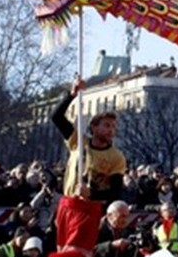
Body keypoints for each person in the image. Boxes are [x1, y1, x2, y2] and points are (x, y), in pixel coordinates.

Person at [51, 78, 126, 206]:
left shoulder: (116, 157)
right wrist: (72, 95)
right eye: (107, 126)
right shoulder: (78, 142)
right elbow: (56, 117)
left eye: (113, 127)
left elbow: (115, 192)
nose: (111, 130)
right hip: (69, 203)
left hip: (92, 207)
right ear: (94, 127)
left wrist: (91, 194)